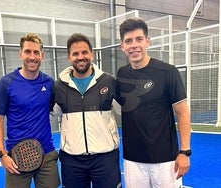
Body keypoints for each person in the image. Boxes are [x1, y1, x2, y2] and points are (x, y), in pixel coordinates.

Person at [116, 18, 192, 188]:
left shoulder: (168, 72)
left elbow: (182, 112)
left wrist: (185, 152)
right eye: (128, 41)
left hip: (166, 161)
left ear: (147, 41)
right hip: (133, 161)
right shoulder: (121, 74)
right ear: (122, 46)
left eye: (139, 39)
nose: (134, 45)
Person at [0, 33, 60, 188]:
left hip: (46, 155)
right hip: (17, 158)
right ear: (20, 53)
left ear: (42, 55)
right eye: (28, 51)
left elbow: (53, 110)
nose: (32, 57)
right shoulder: (6, 83)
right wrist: (2, 153)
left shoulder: (49, 83)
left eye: (36, 52)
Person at [53, 33, 121, 188]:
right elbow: (46, 115)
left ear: (92, 54)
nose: (80, 57)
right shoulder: (59, 87)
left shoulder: (109, 82)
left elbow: (127, 111)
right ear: (69, 57)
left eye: (84, 52)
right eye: (75, 53)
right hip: (72, 161)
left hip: (105, 159)